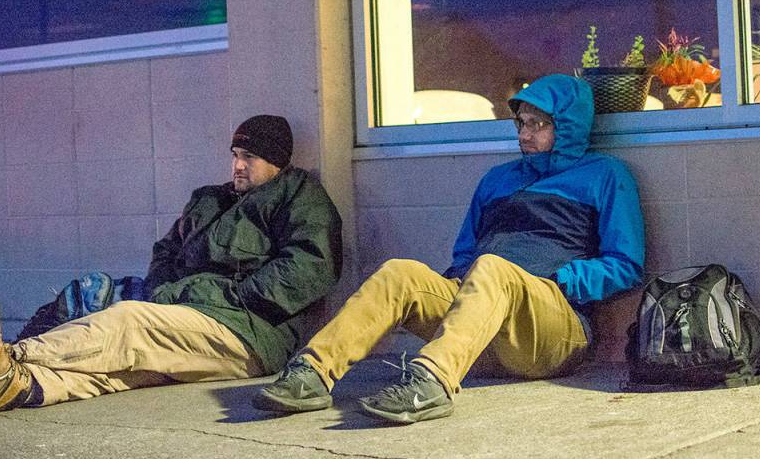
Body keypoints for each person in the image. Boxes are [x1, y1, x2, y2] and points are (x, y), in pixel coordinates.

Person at [253, 74, 644, 424]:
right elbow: (464, 255)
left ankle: (430, 381)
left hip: (553, 328)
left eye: (538, 125)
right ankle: (311, 373)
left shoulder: (604, 175)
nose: (525, 134)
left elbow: (626, 264)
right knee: (400, 273)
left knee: (493, 267)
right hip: (483, 332)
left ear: (568, 127)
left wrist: (564, 278)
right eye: (521, 123)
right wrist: (456, 289)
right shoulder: (497, 180)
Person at [0, 115, 343, 416]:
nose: (237, 165)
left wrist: (217, 294)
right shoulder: (211, 199)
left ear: (276, 161)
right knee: (116, 365)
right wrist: (166, 289)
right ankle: (9, 386)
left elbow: (310, 268)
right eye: (235, 155)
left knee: (129, 322)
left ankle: (3, 357)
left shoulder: (299, 197)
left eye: (249, 157)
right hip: (185, 313)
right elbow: (166, 250)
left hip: (246, 330)